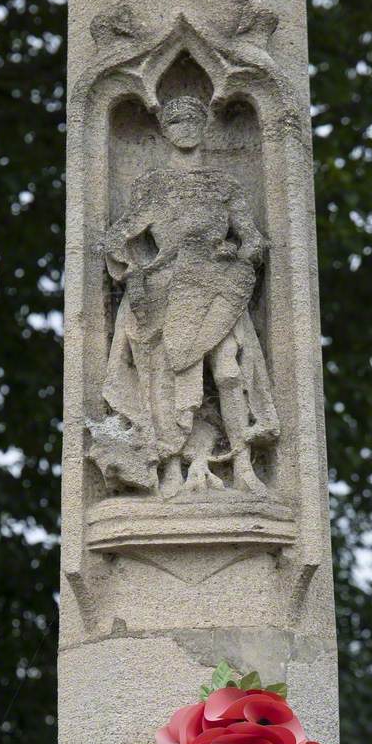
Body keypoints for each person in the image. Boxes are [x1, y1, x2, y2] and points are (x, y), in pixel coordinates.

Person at [99, 94, 279, 497]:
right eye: (176, 123)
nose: (185, 130)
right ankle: (170, 469)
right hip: (166, 289)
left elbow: (252, 239)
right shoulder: (153, 185)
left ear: (204, 127)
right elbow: (117, 238)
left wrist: (239, 252)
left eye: (193, 122)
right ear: (165, 130)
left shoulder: (223, 185)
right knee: (166, 383)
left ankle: (243, 464)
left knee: (230, 373)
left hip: (216, 287)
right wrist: (135, 273)